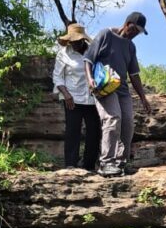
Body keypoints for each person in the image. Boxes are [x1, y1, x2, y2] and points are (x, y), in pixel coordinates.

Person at [83, 11, 152, 177]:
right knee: (113, 118)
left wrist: (143, 97)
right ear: (127, 24)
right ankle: (106, 162)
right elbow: (88, 59)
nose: (135, 34)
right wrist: (90, 79)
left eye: (139, 33)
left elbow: (134, 75)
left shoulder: (130, 46)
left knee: (128, 122)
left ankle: (121, 163)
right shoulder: (106, 34)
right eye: (134, 30)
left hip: (121, 90)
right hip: (104, 86)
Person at [52, 23, 100, 171]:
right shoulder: (63, 53)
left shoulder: (93, 51)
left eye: (77, 42)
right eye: (71, 42)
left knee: (94, 132)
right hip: (72, 98)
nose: (74, 44)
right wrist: (66, 95)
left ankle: (89, 165)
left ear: (83, 40)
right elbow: (57, 77)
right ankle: (71, 165)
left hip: (92, 99)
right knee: (73, 132)